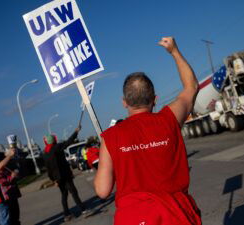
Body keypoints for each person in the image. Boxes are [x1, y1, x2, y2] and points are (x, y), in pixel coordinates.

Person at [94, 37, 202, 225]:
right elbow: (191, 87)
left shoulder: (110, 137)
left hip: (134, 219)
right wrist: (174, 51)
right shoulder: (169, 119)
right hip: (175, 214)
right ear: (155, 99)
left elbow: (102, 191)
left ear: (124, 102)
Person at [43, 126, 88, 222]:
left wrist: (53, 180)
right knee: (74, 192)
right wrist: (76, 132)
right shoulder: (57, 147)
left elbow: (49, 169)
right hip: (65, 175)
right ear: (53, 140)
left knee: (64, 194)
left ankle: (66, 215)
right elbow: (69, 142)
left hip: (58, 179)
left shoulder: (45, 153)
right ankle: (84, 210)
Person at [0, 151, 22, 225]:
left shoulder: (6, 166)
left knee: (16, 214)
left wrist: (15, 173)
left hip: (12, 193)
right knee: (12, 216)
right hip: (7, 195)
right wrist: (12, 176)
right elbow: (2, 182)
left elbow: (16, 171)